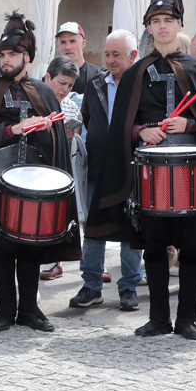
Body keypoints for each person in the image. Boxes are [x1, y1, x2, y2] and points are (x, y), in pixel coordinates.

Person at [86, 0, 196, 342]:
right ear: (148, 27)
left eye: (168, 20)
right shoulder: (135, 73)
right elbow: (122, 126)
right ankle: (158, 318)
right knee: (154, 245)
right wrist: (141, 131)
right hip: (149, 174)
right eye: (155, 21)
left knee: (192, 246)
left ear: (179, 25)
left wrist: (190, 124)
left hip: (193, 174)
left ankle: (188, 319)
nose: (162, 26)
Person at [0, 13, 80, 333]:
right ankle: (4, 311)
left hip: (34, 183)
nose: (5, 60)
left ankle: (30, 311)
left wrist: (45, 130)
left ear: (27, 57)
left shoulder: (44, 92)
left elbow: (56, 144)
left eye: (12, 55)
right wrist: (13, 129)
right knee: (1, 247)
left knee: (31, 248)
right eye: (3, 55)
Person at [70, 29, 143, 311]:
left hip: (132, 166)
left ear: (133, 56)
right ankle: (91, 285)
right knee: (93, 228)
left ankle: (129, 287)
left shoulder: (142, 84)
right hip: (98, 166)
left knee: (131, 227)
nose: (110, 60)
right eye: (107, 54)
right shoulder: (95, 83)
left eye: (116, 55)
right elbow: (87, 118)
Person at [36, 55, 80, 281]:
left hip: (58, 167)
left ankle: (54, 262)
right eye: (61, 83)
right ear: (47, 77)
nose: (65, 89)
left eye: (70, 85)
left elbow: (75, 139)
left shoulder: (71, 107)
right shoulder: (33, 99)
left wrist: (69, 138)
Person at [56, 21, 103, 94]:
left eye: (72, 41)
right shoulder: (50, 78)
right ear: (58, 46)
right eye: (63, 42)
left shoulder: (98, 76)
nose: (67, 47)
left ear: (83, 43)